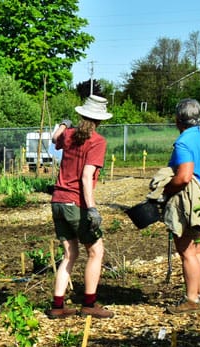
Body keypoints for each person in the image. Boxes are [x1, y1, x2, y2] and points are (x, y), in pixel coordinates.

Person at [47, 95, 114, 319]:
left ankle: (58, 306)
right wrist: (92, 209)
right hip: (75, 203)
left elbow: (54, 136)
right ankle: (89, 303)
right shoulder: (96, 141)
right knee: (96, 251)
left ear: (81, 115)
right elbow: (86, 177)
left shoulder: (69, 134)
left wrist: (65, 124)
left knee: (69, 254)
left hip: (57, 201)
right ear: (100, 120)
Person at [162, 98, 200, 314]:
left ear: (179, 119)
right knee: (199, 251)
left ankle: (191, 299)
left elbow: (185, 176)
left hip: (191, 204)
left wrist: (166, 191)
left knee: (186, 251)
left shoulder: (184, 143)